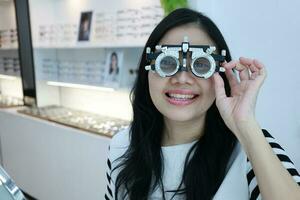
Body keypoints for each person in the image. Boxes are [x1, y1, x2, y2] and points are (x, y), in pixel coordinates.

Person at [104, 8, 300, 200]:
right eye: (167, 63)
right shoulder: (122, 145)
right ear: (147, 71)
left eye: (201, 65)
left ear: (221, 73)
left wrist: (246, 125)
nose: (182, 78)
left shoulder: (252, 149)